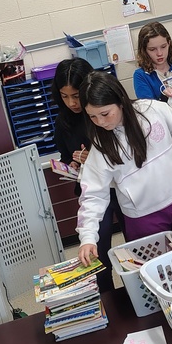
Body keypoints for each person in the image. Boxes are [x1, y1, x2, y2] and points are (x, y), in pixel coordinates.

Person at [76, 72, 172, 266]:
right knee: (161, 275)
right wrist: (87, 237)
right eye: (93, 117)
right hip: (143, 217)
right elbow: (94, 194)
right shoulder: (101, 146)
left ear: (120, 101)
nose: (101, 122)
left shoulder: (152, 110)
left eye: (105, 114)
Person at [52, 58, 123, 293]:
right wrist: (72, 163)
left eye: (75, 95)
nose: (72, 102)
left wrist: (94, 157)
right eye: (64, 96)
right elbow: (66, 156)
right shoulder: (63, 121)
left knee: (135, 243)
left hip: (121, 188)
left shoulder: (105, 110)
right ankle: (108, 301)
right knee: (96, 253)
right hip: (91, 192)